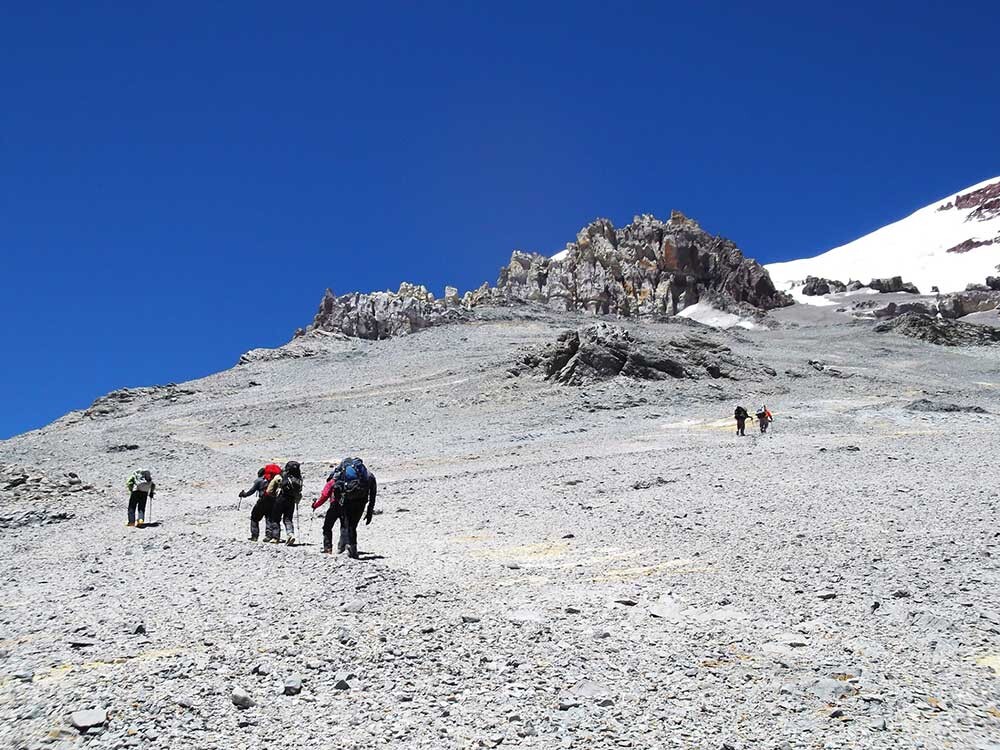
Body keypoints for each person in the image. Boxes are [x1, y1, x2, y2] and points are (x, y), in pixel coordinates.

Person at [312, 457, 377, 558]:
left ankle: (331, 549)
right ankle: (348, 548)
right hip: (361, 502)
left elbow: (325, 494)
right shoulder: (367, 476)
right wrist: (369, 512)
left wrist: (315, 505)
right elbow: (372, 495)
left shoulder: (338, 477)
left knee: (332, 526)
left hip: (344, 503)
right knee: (350, 526)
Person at [240, 464, 281, 542]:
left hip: (262, 501)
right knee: (269, 518)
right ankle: (269, 536)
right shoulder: (275, 480)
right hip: (273, 501)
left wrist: (244, 494)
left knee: (254, 517)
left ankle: (254, 536)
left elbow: (251, 491)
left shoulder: (259, 480)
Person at [268, 460, 303, 546]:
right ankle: (290, 534)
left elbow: (269, 490)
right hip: (291, 500)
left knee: (275, 518)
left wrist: (274, 495)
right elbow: (299, 491)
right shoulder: (299, 479)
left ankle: (275, 537)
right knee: (288, 519)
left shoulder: (280, 476)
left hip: (281, 498)